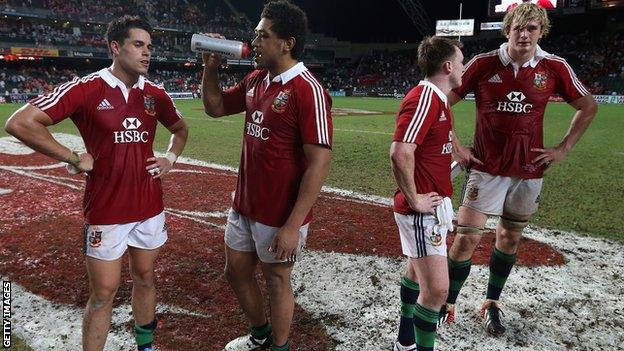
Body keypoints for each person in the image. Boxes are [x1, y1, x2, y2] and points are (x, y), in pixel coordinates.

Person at [4, 15, 188, 351]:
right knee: (103, 294)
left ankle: (144, 346)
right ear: (115, 47)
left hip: (150, 205)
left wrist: (170, 158)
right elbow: (21, 123)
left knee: (146, 278)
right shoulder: (86, 89)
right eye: (138, 45)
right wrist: (72, 156)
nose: (147, 52)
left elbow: (180, 129)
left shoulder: (155, 94)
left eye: (149, 46)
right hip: (106, 209)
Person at [443, 2, 597, 336]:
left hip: (528, 171)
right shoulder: (483, 64)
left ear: (541, 32)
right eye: (518, 28)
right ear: (507, 29)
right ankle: (448, 303)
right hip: (486, 168)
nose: (524, 35)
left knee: (510, 237)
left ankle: (491, 303)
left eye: (532, 28)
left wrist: (563, 147)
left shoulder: (555, 67)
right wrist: (456, 145)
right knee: (466, 239)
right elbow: (442, 98)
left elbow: (587, 105)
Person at [200, 1, 332, 350]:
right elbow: (215, 108)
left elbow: (319, 163)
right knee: (236, 272)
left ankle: (280, 346)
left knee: (276, 279)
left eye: (263, 35)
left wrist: (293, 224)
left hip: (279, 214)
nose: (254, 42)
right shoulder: (256, 79)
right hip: (244, 205)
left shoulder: (308, 89)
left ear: (287, 43)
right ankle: (260, 336)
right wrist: (209, 69)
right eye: (255, 35)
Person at [390, 36, 464, 351]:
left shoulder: (440, 100)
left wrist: (458, 163)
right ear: (448, 66)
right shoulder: (425, 98)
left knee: (415, 273)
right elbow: (400, 153)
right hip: (421, 212)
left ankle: (404, 343)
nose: (463, 67)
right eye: (461, 62)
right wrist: (415, 198)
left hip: (434, 207)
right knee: (436, 292)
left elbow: (430, 154)